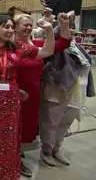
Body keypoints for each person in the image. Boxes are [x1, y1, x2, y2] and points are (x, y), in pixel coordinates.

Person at [0, 15, 56, 180]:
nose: (10, 30)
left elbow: (47, 51)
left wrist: (49, 30)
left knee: (6, 137)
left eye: (11, 27)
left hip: (9, 100)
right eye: (5, 27)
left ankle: (2, 172)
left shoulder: (18, 47)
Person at [14, 12, 72, 177]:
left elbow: (63, 43)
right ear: (15, 27)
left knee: (27, 127)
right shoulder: (11, 47)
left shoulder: (36, 44)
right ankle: (14, 158)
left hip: (34, 93)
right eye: (24, 24)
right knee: (15, 126)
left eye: (30, 24)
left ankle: (16, 152)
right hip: (17, 92)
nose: (28, 27)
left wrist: (64, 24)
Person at [39, 22, 95, 167]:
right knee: (51, 124)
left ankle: (57, 149)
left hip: (76, 93)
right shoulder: (56, 48)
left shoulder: (78, 48)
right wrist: (59, 26)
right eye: (66, 28)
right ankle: (46, 151)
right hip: (57, 91)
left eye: (72, 28)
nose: (70, 30)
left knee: (65, 124)